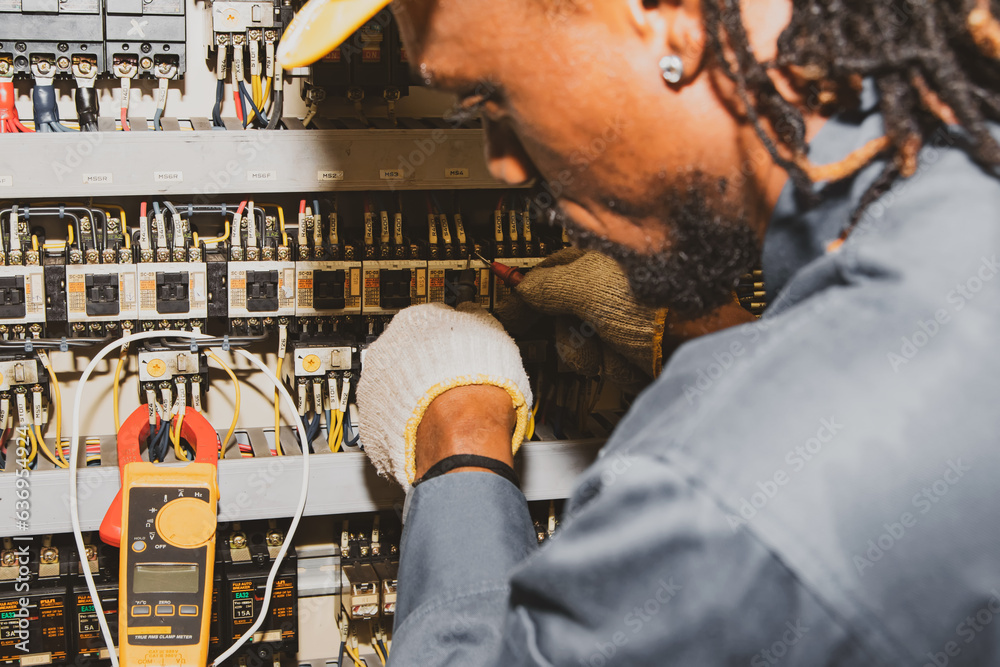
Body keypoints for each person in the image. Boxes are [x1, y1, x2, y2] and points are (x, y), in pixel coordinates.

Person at [278, 0, 1000, 664]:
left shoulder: (713, 501)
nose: (504, 164)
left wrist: (459, 441)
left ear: (670, 19)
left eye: (493, 96)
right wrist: (703, 333)